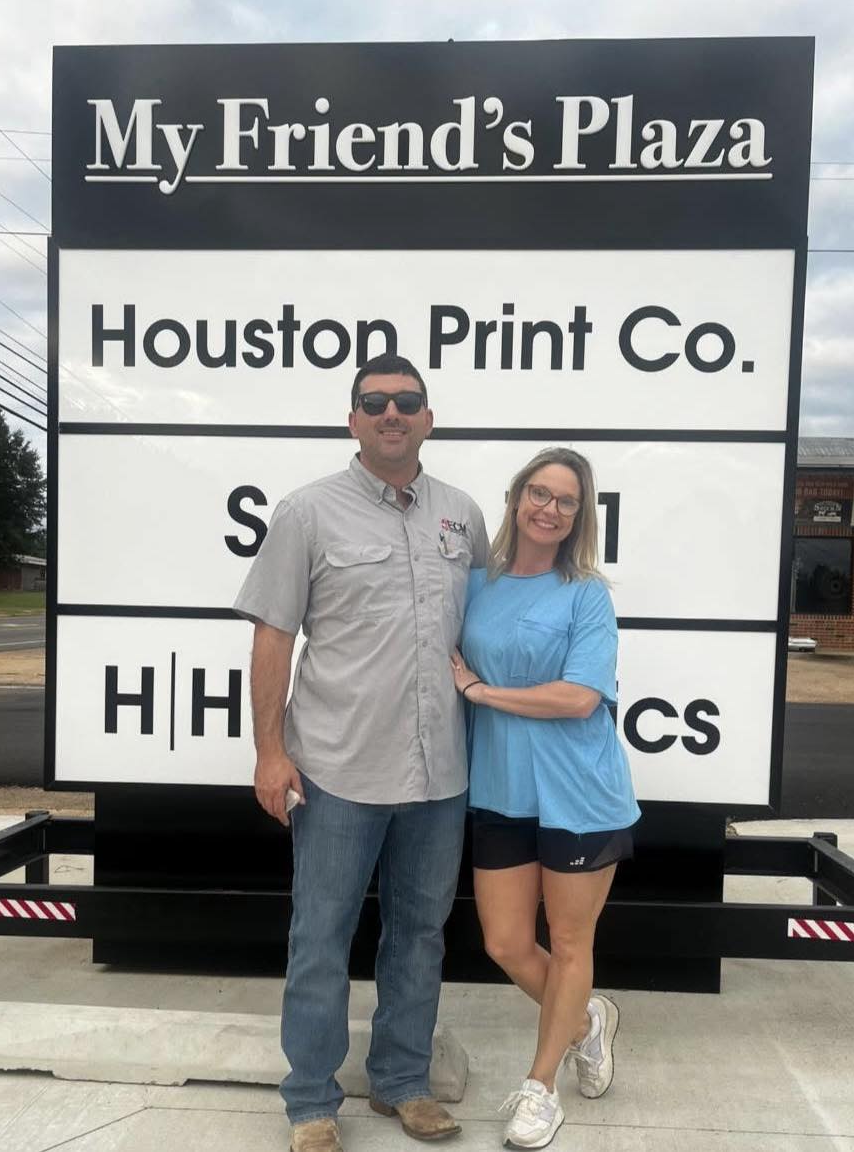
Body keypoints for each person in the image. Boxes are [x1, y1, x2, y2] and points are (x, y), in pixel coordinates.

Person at [234, 353, 489, 1152]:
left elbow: (483, 629)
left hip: (439, 772)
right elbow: (273, 638)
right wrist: (269, 754)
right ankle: (311, 1101)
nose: (391, 413)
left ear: (428, 418)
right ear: (352, 419)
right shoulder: (307, 513)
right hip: (338, 768)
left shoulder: (462, 515)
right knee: (322, 937)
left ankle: (402, 1083)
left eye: (406, 401)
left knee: (419, 933)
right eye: (373, 402)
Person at [450, 447, 641, 1150]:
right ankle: (588, 1022)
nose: (549, 508)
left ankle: (541, 1090)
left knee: (567, 943)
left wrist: (480, 691)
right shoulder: (477, 583)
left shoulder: (586, 593)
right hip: (500, 789)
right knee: (503, 942)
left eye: (565, 501)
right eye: (539, 493)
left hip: (579, 796)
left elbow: (579, 696)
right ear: (515, 498)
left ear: (579, 517)